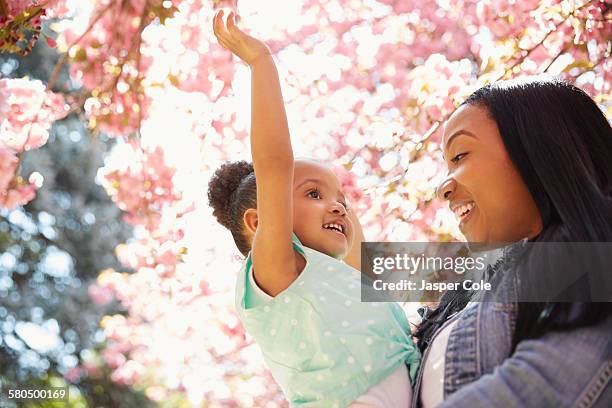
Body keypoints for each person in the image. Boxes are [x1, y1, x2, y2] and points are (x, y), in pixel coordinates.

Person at [207, 10, 420, 407]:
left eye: (340, 198)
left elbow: (359, 246)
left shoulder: (349, 280)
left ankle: (572, 270)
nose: (337, 206)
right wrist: (261, 63)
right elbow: (274, 163)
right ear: (260, 221)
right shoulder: (279, 271)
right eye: (312, 194)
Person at [413, 76, 612, 407]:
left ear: (538, 147)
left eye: (460, 155)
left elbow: (537, 389)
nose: (443, 188)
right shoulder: (471, 289)